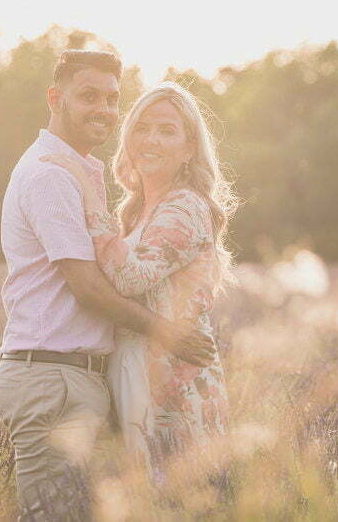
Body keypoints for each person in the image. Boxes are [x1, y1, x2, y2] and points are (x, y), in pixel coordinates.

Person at [0, 51, 215, 519]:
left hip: (105, 380)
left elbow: (122, 273)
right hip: (56, 375)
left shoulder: (151, 200)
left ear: (190, 146)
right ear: (55, 98)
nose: (104, 109)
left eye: (113, 99)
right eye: (89, 96)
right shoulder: (53, 174)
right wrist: (164, 330)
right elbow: (90, 288)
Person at [42, 81, 236, 482]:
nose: (152, 139)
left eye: (167, 131)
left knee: (175, 493)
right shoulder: (138, 210)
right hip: (135, 368)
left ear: (189, 148)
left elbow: (131, 278)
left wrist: (88, 191)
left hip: (174, 380)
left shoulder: (185, 206)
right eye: (143, 127)